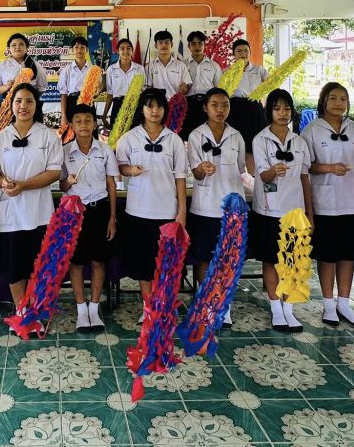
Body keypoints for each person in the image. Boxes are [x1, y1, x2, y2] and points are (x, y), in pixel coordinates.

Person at [302, 82, 354, 329]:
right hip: (326, 202)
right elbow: (305, 166)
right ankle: (329, 305)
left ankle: (344, 303)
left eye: (343, 99)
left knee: (348, 254)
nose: (338, 103)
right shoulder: (312, 130)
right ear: (323, 101)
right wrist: (329, 168)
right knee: (327, 255)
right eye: (333, 98)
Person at [0, 83, 62, 308]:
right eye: (18, 101)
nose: (24, 106)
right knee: (14, 267)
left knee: (38, 266)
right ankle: (21, 312)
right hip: (10, 212)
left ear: (36, 105)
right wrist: (3, 182)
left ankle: (35, 311)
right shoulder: (0, 138)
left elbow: (54, 172)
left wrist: (25, 185)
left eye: (29, 101)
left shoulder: (48, 136)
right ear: (10, 105)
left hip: (39, 212)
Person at [115, 87, 187, 311]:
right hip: (139, 211)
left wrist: (181, 211)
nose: (155, 111)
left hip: (167, 212)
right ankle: (149, 309)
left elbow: (181, 177)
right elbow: (120, 167)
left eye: (159, 106)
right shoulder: (130, 138)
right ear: (142, 109)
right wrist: (130, 170)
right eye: (150, 106)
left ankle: (163, 306)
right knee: (144, 265)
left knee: (166, 264)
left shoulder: (174, 140)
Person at [250, 88, 313, 333]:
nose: (282, 113)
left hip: (294, 211)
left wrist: (309, 213)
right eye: (277, 108)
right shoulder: (260, 139)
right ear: (270, 112)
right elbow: (263, 176)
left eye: (287, 108)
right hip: (269, 209)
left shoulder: (299, 142)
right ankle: (276, 308)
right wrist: (273, 171)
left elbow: (305, 178)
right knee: (271, 260)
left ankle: (289, 308)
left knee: (292, 261)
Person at [186, 87, 245, 328]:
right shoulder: (196, 136)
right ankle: (206, 302)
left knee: (228, 258)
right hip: (205, 206)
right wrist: (202, 168)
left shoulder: (236, 136)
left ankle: (224, 304)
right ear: (205, 108)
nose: (220, 110)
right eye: (215, 105)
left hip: (232, 208)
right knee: (204, 258)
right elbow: (195, 171)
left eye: (224, 105)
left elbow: (241, 168)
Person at [59, 104, 118, 332]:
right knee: (76, 262)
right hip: (74, 213)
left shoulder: (105, 150)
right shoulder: (64, 152)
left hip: (99, 210)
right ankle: (81, 310)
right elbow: (62, 186)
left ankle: (94, 308)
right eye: (78, 120)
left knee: (98, 261)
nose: (83, 124)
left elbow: (111, 185)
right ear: (72, 125)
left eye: (88, 120)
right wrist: (68, 182)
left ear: (95, 124)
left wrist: (112, 217)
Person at [227, 38, 269, 176]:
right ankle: (239, 177)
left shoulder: (259, 70)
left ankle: (254, 177)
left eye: (246, 51)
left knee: (254, 144)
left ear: (250, 53)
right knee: (237, 144)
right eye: (239, 51)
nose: (243, 54)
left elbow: (271, 85)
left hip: (254, 109)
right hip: (235, 110)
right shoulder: (227, 72)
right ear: (233, 54)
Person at [183, 30, 223, 141]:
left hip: (207, 104)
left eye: (200, 43)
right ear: (188, 46)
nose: (197, 46)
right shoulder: (182, 65)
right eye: (193, 44)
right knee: (189, 135)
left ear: (204, 45)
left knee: (207, 135)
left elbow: (218, 88)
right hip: (188, 104)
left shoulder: (214, 65)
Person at [0, 33, 48, 105]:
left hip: (29, 106)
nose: (17, 47)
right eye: (14, 45)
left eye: (21, 44)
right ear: (9, 48)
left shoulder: (35, 65)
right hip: (7, 105)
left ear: (27, 47)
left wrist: (29, 98)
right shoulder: (3, 65)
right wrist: (6, 87)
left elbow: (41, 89)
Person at [102, 38, 145, 128]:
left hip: (135, 106)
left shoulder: (139, 69)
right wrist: (104, 115)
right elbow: (110, 95)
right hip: (118, 106)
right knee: (117, 135)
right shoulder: (111, 69)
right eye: (122, 48)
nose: (125, 51)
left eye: (128, 48)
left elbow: (143, 91)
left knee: (135, 134)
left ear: (132, 51)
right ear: (118, 51)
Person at [58, 35, 95, 129]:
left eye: (82, 47)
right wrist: (63, 116)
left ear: (87, 50)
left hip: (88, 103)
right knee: (72, 132)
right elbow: (63, 94)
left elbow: (97, 92)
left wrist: (97, 91)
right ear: (72, 50)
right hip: (72, 102)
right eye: (76, 47)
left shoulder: (93, 70)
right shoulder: (67, 70)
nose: (79, 50)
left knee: (89, 130)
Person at [145, 30, 191, 99]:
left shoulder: (181, 65)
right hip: (157, 104)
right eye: (160, 43)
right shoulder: (150, 67)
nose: (164, 45)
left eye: (167, 42)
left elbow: (187, 86)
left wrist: (185, 88)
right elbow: (148, 89)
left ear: (171, 45)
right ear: (155, 46)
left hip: (176, 103)